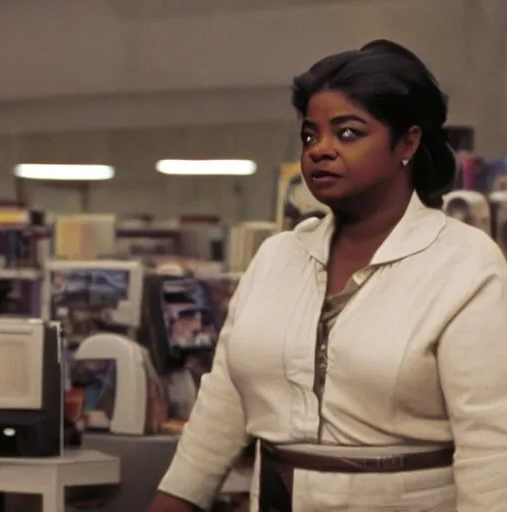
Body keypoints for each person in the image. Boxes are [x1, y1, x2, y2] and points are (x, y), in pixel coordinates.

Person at [147, 40, 507, 511]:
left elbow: (491, 446)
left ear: (408, 143)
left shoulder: (463, 263)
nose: (321, 151)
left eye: (349, 133)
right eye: (311, 136)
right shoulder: (277, 257)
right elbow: (222, 409)